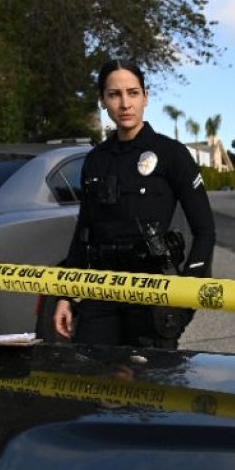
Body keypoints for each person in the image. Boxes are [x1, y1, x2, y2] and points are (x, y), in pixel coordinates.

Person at [53, 59, 215, 347]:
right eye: (114, 94)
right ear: (103, 100)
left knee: (151, 388)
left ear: (146, 97)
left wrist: (186, 296)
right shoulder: (95, 160)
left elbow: (205, 232)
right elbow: (83, 232)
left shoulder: (171, 154)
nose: (125, 103)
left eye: (133, 92)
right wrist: (65, 294)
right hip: (102, 292)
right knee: (92, 382)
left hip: (153, 292)